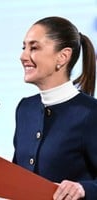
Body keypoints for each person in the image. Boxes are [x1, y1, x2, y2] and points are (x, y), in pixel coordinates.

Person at [13, 16, 97, 200]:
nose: (23, 56)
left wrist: (83, 189)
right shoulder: (25, 109)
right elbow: (16, 176)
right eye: (24, 47)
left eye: (34, 48)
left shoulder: (91, 113)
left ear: (63, 56)